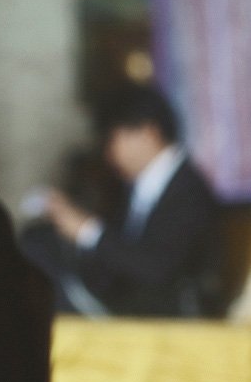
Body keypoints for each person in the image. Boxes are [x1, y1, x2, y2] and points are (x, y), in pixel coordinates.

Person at [20, 83, 221, 317]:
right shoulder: (143, 185)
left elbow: (156, 269)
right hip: (131, 300)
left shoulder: (188, 190)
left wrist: (86, 230)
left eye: (113, 140)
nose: (109, 153)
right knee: (38, 242)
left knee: (40, 263)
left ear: (148, 133)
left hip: (165, 313)